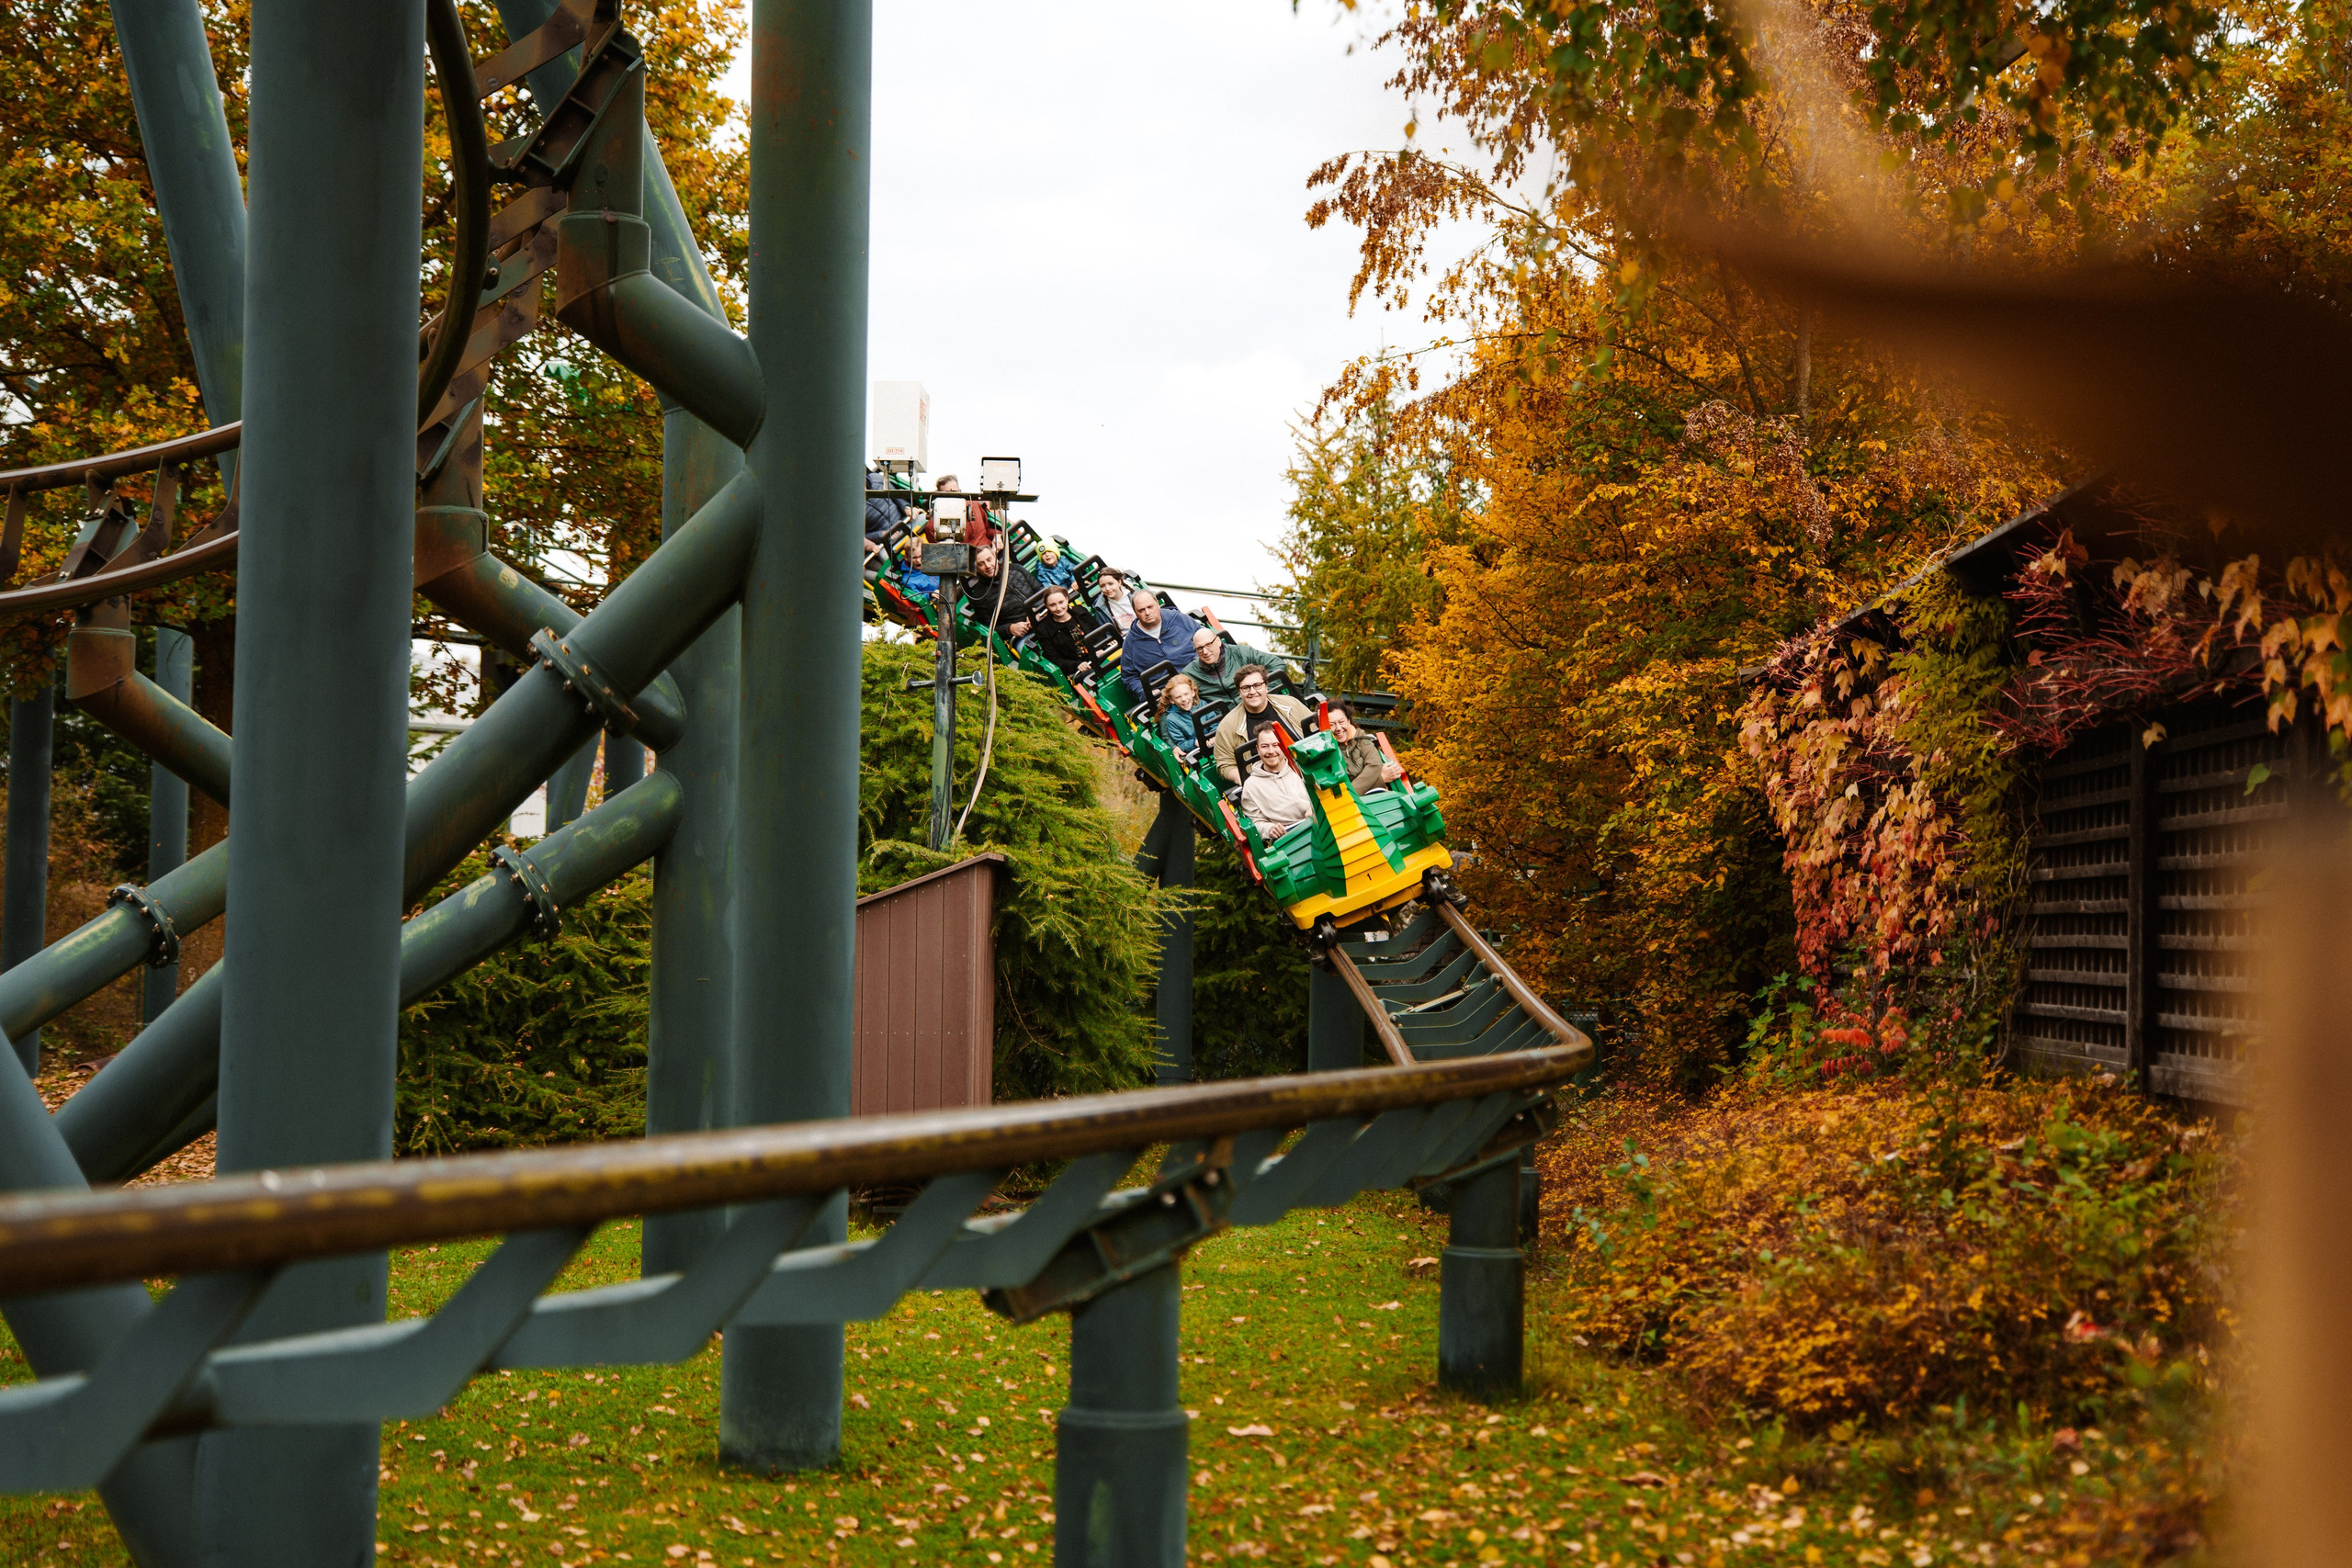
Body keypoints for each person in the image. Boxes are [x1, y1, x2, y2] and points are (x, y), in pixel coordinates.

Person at [1211, 664, 1312, 784]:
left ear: (1266, 686)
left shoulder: (1290, 705)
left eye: (1257, 685)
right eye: (1246, 688)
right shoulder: (1227, 725)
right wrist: (1249, 783)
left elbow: (1316, 731)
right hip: (1266, 782)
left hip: (1305, 769)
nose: (1252, 692)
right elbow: (1225, 764)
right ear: (1239, 692)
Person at [1120, 590, 1201, 705]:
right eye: (1141, 610)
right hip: (1167, 696)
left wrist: (1198, 668)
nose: (1147, 613)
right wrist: (1146, 692)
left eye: (1150, 607)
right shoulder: (1131, 642)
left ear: (1157, 604)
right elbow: (1129, 677)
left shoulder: (1179, 620)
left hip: (1197, 678)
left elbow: (1203, 641)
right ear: (1135, 612)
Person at [1238, 725, 1313, 840]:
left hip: (1317, 823)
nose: (1271, 751)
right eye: (1265, 746)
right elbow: (1254, 822)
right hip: (1288, 837)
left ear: (1283, 745)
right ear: (1258, 749)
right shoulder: (1251, 785)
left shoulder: (1302, 767)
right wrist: (1269, 829)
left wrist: (1313, 808)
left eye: (1275, 745)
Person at [1182, 625, 1285, 706]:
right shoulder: (1190, 673)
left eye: (1208, 645)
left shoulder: (1241, 653)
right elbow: (1173, 700)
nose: (1205, 651)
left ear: (1218, 641)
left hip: (1258, 705)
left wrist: (1263, 691)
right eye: (1200, 648)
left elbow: (1277, 664)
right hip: (1226, 721)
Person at [1328, 700, 1404, 795]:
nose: (1338, 728)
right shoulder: (1327, 753)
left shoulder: (1362, 738)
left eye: (1341, 722)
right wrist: (1381, 779)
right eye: (1332, 725)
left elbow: (1374, 765)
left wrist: (1350, 792)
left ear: (1348, 721)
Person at [966, 544, 1040, 637]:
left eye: (989, 559)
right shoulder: (979, 596)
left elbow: (1041, 591)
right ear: (976, 569)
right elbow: (989, 630)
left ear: (995, 557)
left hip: (1042, 618)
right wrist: (1009, 629)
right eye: (981, 564)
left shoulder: (1016, 569)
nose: (987, 566)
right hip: (1022, 635)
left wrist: (1036, 609)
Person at [1030, 586, 1101, 678]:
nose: (1058, 608)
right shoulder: (1044, 629)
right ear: (1047, 606)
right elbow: (1054, 659)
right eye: (1052, 605)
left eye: (1061, 602)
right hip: (1078, 668)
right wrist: (1076, 665)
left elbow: (1098, 632)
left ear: (1067, 599)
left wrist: (1101, 647)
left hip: (1098, 655)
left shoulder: (1080, 612)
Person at [1156, 672, 1212, 759]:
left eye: (1186, 694)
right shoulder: (1172, 719)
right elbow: (1180, 743)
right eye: (1178, 697)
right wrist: (1195, 743)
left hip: (1213, 743)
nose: (1184, 699)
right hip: (1196, 752)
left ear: (1193, 692)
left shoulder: (1203, 704)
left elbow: (1215, 723)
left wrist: (1214, 736)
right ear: (1172, 700)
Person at [864, 469, 908, 544]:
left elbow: (896, 496)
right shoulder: (853, 507)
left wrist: (906, 507)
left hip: (905, 522)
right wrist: (881, 534)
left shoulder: (876, 478)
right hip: (887, 540)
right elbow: (861, 537)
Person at [1091, 567, 1136, 634]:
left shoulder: (1135, 595)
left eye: (1111, 584)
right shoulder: (1100, 607)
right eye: (1103, 586)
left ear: (1119, 582)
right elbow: (1106, 632)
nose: (1107, 588)